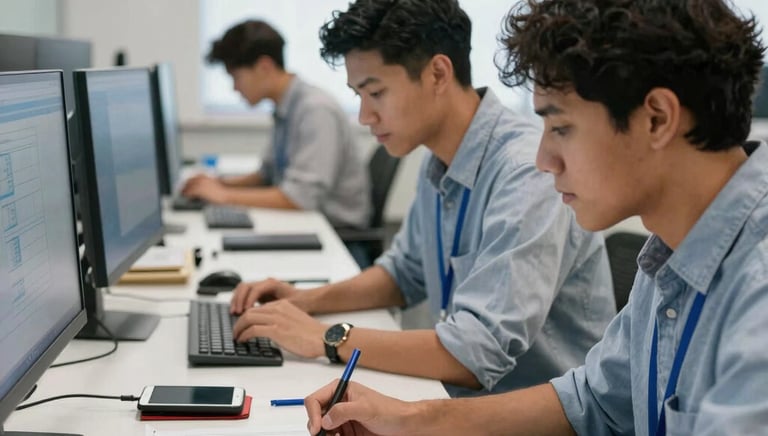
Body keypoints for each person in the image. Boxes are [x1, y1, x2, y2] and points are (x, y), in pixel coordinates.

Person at [304, 0, 768, 434]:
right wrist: (412, 419)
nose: (544, 159)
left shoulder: (757, 282)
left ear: (657, 119)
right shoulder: (672, 246)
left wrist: (325, 337)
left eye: (561, 128)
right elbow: (592, 399)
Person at [229, 0, 615, 398]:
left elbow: (474, 351)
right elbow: (403, 274)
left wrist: (327, 337)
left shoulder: (525, 173)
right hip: (458, 401)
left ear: (437, 73)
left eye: (375, 93)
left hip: (527, 417)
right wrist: (305, 301)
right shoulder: (439, 162)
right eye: (358, 96)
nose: (364, 116)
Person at [181, 19, 370, 230]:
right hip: (310, 224)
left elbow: (300, 198)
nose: (235, 88)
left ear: (264, 67)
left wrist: (224, 195)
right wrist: (218, 183)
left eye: (236, 76)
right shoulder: (286, 107)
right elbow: (267, 175)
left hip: (339, 237)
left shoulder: (315, 110)